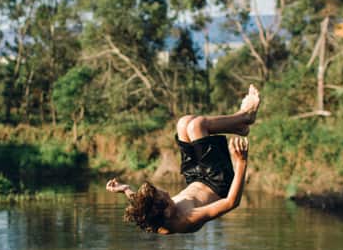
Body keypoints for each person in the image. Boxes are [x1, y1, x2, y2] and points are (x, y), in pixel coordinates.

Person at [106, 85, 260, 234]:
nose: (164, 192)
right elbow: (231, 203)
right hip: (218, 182)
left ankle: (237, 128)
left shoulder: (153, 213)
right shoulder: (186, 219)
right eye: (161, 195)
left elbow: (141, 206)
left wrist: (125, 189)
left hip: (195, 177)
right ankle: (246, 116)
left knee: (183, 123)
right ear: (165, 211)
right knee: (196, 126)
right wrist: (241, 163)